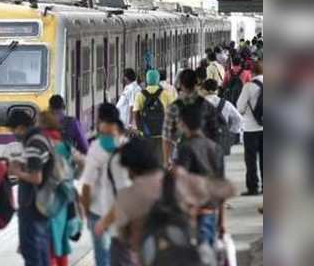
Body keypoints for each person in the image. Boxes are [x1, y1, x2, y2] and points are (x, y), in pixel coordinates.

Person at [94, 137, 235, 260]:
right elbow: (227, 189)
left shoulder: (127, 196)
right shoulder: (177, 179)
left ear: (130, 168)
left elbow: (121, 235)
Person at [80, 103, 131, 266]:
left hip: (99, 212)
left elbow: (86, 186)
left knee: (103, 259)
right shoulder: (127, 145)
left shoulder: (96, 148)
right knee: (122, 258)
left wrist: (86, 212)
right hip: (124, 212)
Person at [172, 103, 226, 246]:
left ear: (183, 124)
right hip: (211, 212)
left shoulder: (185, 149)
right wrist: (222, 221)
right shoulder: (216, 148)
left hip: (193, 215)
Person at [6, 110, 53, 266]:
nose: (14, 134)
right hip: (43, 203)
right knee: (41, 250)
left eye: (13, 130)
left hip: (33, 206)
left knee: (32, 252)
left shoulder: (33, 143)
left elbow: (36, 177)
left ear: (20, 127)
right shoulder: (42, 137)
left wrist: (16, 171)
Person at [37, 111, 80, 266]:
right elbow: (81, 163)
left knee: (49, 244)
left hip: (47, 198)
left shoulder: (42, 143)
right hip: (64, 197)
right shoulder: (65, 143)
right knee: (61, 241)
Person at [162, 69, 219, 167]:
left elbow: (167, 137)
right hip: (204, 154)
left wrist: (167, 161)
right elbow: (214, 133)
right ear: (196, 83)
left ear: (180, 84)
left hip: (180, 155)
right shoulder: (207, 105)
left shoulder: (173, 108)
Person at [133, 69, 175, 164]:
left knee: (148, 157)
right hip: (163, 130)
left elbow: (135, 113)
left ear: (147, 80)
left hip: (147, 131)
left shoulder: (140, 95)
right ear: (158, 79)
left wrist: (140, 129)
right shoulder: (166, 94)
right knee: (162, 156)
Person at [237, 62, 263, 196]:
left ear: (252, 72)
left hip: (251, 128)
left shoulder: (249, 86)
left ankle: (253, 187)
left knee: (251, 159)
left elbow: (239, 107)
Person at [202, 79, 243, 155]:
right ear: (217, 90)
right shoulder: (226, 103)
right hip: (220, 139)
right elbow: (239, 119)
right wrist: (232, 133)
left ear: (204, 90)